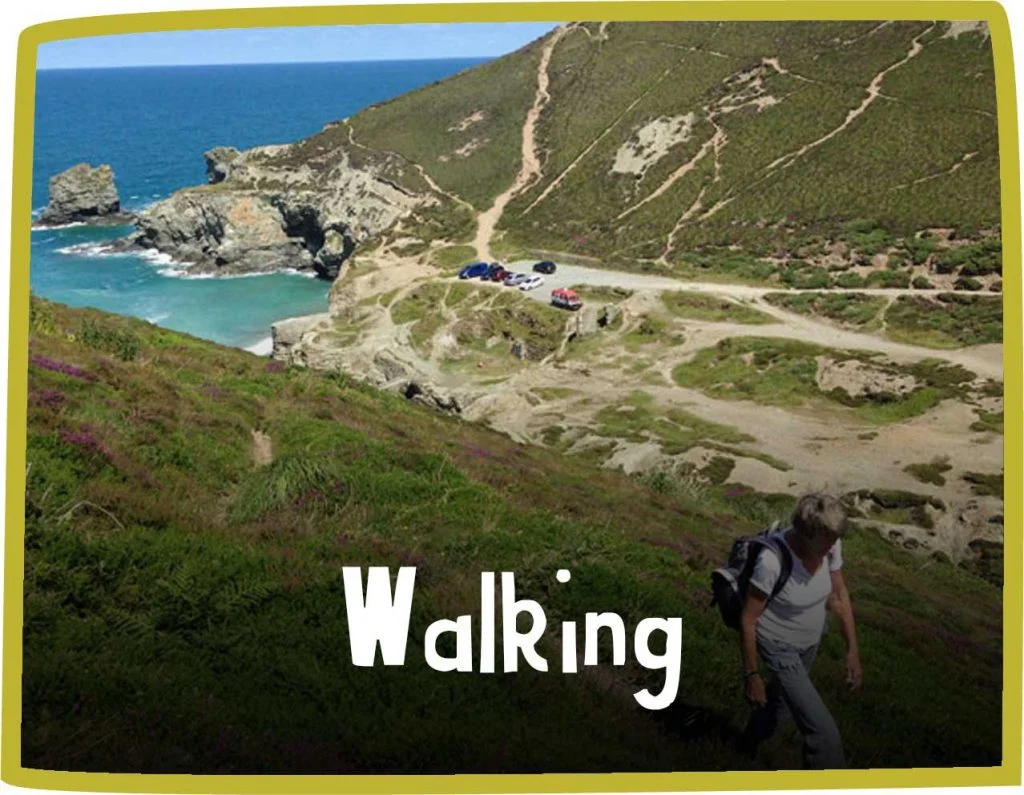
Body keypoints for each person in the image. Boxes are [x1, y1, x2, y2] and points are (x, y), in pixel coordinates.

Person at [737, 493, 861, 769]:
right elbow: (748, 619)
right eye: (827, 541)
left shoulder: (830, 545)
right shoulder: (771, 562)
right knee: (824, 735)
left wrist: (852, 650)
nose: (832, 547)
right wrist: (752, 674)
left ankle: (742, 751)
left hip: (809, 642)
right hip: (778, 645)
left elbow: (840, 596)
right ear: (806, 534)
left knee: (776, 711)